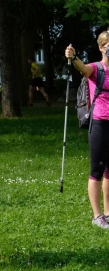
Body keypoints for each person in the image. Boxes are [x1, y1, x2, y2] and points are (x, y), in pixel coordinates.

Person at [65, 34, 109, 229]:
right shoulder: (96, 68)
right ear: (101, 47)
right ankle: (97, 215)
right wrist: (73, 57)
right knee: (97, 170)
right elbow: (82, 69)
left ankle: (108, 213)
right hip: (99, 123)